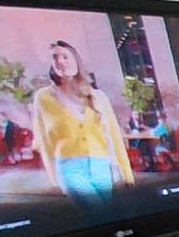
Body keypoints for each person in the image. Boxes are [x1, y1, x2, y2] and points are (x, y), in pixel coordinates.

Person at [30, 40, 134, 214]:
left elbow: (113, 134)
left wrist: (126, 172)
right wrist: (53, 176)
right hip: (70, 167)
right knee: (97, 211)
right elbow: (43, 139)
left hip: (101, 166)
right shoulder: (44, 97)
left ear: (76, 60)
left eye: (65, 56)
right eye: (55, 57)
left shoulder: (98, 97)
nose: (60, 61)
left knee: (105, 215)